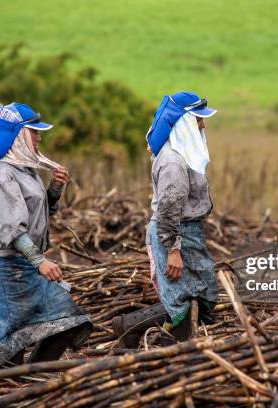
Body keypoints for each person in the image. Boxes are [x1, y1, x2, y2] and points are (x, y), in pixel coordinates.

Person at [0, 102, 92, 368]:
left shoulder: (26, 170)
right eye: (33, 132)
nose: (39, 138)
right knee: (8, 363)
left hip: (24, 270)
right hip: (1, 276)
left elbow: (38, 212)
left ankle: (37, 379)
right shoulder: (1, 175)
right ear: (16, 136)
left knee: (68, 323)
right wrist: (40, 261)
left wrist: (56, 189)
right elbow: (13, 230)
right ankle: (23, 389)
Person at [113, 92, 218, 348]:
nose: (202, 125)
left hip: (187, 232)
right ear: (183, 123)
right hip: (174, 234)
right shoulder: (173, 161)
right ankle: (129, 327)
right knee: (184, 306)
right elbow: (169, 210)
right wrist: (173, 249)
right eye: (197, 120)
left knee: (202, 299)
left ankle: (157, 343)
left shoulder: (181, 154)